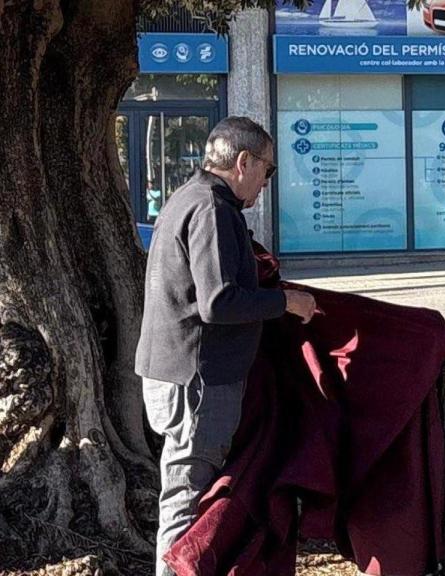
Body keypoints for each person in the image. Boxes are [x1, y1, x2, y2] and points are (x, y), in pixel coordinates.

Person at [135, 116, 318, 576]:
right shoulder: (213, 210)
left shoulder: (186, 198)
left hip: (174, 372)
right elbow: (218, 301)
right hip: (196, 380)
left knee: (185, 491)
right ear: (243, 162)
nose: (266, 182)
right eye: (268, 170)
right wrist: (287, 301)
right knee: (186, 500)